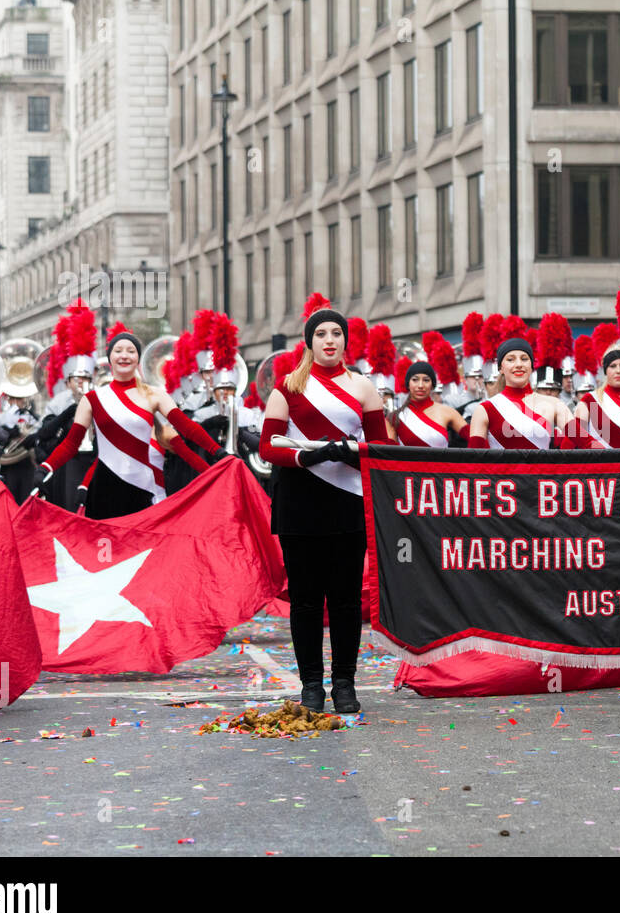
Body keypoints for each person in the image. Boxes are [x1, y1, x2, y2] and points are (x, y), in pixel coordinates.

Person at [257, 306, 393, 714]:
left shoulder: (363, 387)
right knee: (305, 600)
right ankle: (311, 685)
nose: (330, 340)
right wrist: (304, 458)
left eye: (336, 333)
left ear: (346, 341)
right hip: (299, 501)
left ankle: (345, 683)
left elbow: (382, 447)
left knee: (347, 600)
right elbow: (267, 447)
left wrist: (351, 454)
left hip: (348, 502)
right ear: (310, 341)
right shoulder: (287, 387)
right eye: (321, 334)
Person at [33, 330, 231, 519]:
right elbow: (70, 444)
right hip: (103, 490)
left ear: (137, 358)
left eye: (131, 350)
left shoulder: (154, 394)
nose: (124, 355)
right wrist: (45, 468)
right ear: (110, 358)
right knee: (104, 552)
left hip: (141, 489)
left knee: (142, 551)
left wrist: (218, 455)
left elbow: (187, 427)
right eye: (118, 351)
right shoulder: (92, 398)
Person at [468, 338, 574, 449]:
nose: (519, 364)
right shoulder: (484, 409)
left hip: (541, 466)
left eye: (524, 359)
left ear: (532, 366)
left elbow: (585, 442)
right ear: (500, 368)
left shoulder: (555, 404)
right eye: (510, 360)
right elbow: (474, 460)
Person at [389, 360, 469, 447]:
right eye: (415, 380)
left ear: (432, 385)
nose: (420, 385)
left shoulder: (448, 412)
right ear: (408, 384)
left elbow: (475, 440)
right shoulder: (393, 418)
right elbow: (388, 456)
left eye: (426, 380)